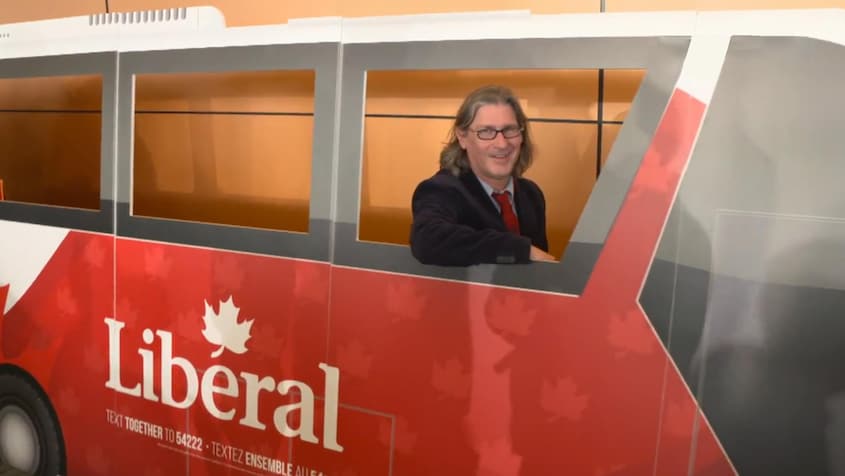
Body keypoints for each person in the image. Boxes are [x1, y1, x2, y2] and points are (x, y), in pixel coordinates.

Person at [410, 85, 556, 266]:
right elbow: (428, 241)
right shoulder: (442, 190)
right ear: (462, 137)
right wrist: (522, 250)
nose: (502, 144)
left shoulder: (531, 193)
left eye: (510, 130)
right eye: (486, 132)